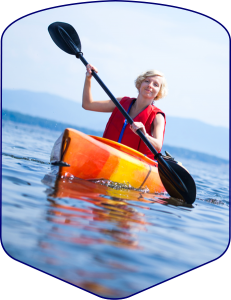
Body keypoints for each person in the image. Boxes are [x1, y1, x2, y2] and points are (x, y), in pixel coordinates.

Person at [82, 64, 167, 160]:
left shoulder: (158, 116)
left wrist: (145, 135)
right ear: (140, 84)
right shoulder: (121, 103)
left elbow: (158, 145)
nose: (150, 85)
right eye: (147, 81)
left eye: (155, 84)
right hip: (107, 158)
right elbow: (87, 104)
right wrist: (88, 78)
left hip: (133, 167)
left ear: (159, 92)